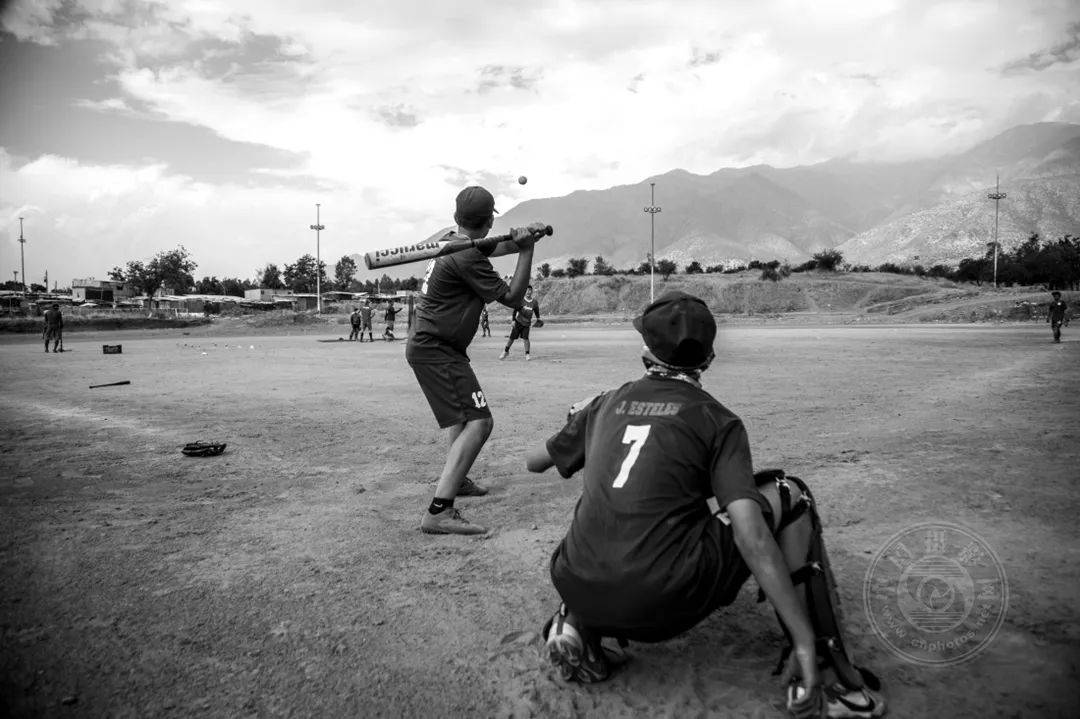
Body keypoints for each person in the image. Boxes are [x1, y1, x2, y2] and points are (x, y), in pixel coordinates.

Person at [525, 290, 886, 718]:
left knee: (615, 511)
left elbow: (534, 462)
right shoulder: (718, 419)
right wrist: (802, 637)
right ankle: (825, 666)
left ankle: (577, 622)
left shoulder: (606, 401)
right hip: (663, 603)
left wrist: (580, 416)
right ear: (710, 359)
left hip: (575, 580)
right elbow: (751, 536)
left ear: (644, 351)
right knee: (791, 494)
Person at [406, 185, 548, 535]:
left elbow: (489, 245)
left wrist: (520, 239)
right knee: (480, 422)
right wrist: (525, 252)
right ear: (489, 220)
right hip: (436, 348)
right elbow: (515, 298)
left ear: (457, 217)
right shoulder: (465, 257)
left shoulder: (449, 239)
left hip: (436, 346)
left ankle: (458, 480)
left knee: (461, 417)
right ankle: (439, 511)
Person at [499, 285, 541, 360]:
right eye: (527, 290)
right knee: (511, 338)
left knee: (526, 338)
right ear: (525, 292)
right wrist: (513, 320)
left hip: (527, 324)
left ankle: (527, 354)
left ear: (532, 291)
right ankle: (505, 351)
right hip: (518, 322)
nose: (528, 292)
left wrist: (538, 318)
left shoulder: (534, 302)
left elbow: (536, 310)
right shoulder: (521, 300)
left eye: (530, 290)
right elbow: (515, 310)